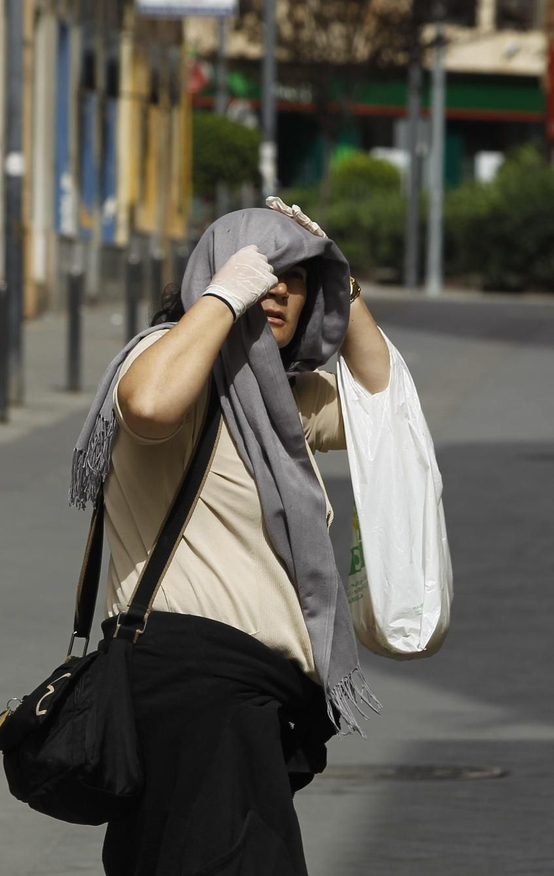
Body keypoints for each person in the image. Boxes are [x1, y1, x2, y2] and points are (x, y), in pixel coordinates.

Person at [69, 200, 396, 874]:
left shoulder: (283, 401)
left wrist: (343, 276)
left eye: (298, 279)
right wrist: (222, 295)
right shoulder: (160, 361)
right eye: (264, 269)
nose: (278, 287)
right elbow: (152, 407)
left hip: (253, 699)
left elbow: (383, 398)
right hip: (184, 687)